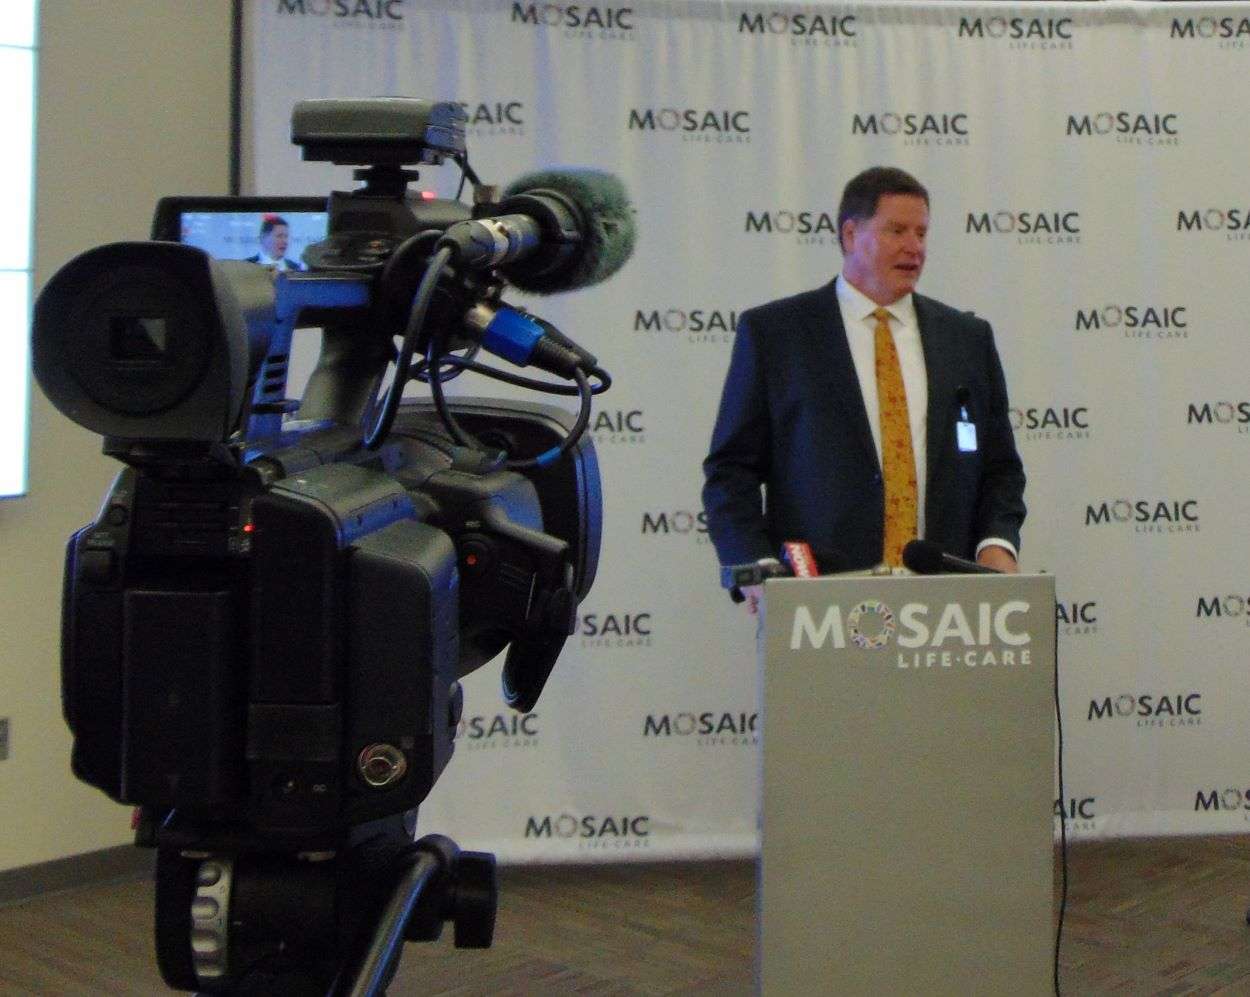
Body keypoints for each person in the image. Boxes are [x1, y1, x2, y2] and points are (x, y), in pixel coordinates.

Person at [702, 166, 1025, 614]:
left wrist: (997, 543)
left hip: (948, 604)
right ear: (850, 235)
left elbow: (1000, 467)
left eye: (922, 233)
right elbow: (730, 472)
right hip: (817, 603)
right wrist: (754, 567)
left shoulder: (966, 338)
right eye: (896, 231)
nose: (914, 247)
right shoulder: (778, 334)